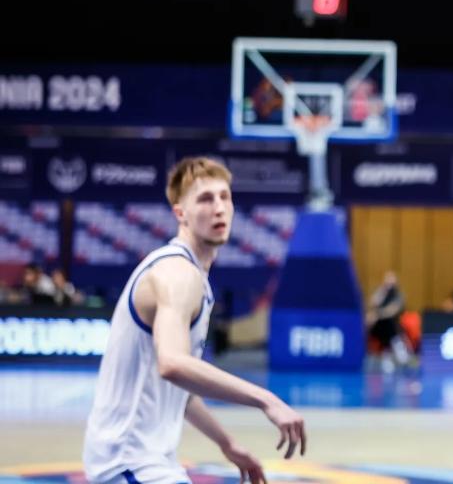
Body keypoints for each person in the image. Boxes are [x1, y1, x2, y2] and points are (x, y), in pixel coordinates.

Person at [83, 157, 306, 484]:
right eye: (205, 199)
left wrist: (226, 443)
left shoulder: (192, 277)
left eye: (224, 197)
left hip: (142, 462)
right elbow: (172, 364)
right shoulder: (178, 274)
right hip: (129, 462)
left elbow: (181, 390)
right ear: (180, 213)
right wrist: (266, 399)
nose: (218, 207)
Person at [366, 270, 411, 371]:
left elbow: (392, 311)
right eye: (387, 280)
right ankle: (384, 355)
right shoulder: (381, 292)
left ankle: (398, 356)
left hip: (393, 326)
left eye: (391, 280)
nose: (389, 283)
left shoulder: (399, 295)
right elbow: (372, 304)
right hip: (378, 327)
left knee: (389, 323)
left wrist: (377, 315)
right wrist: (382, 292)